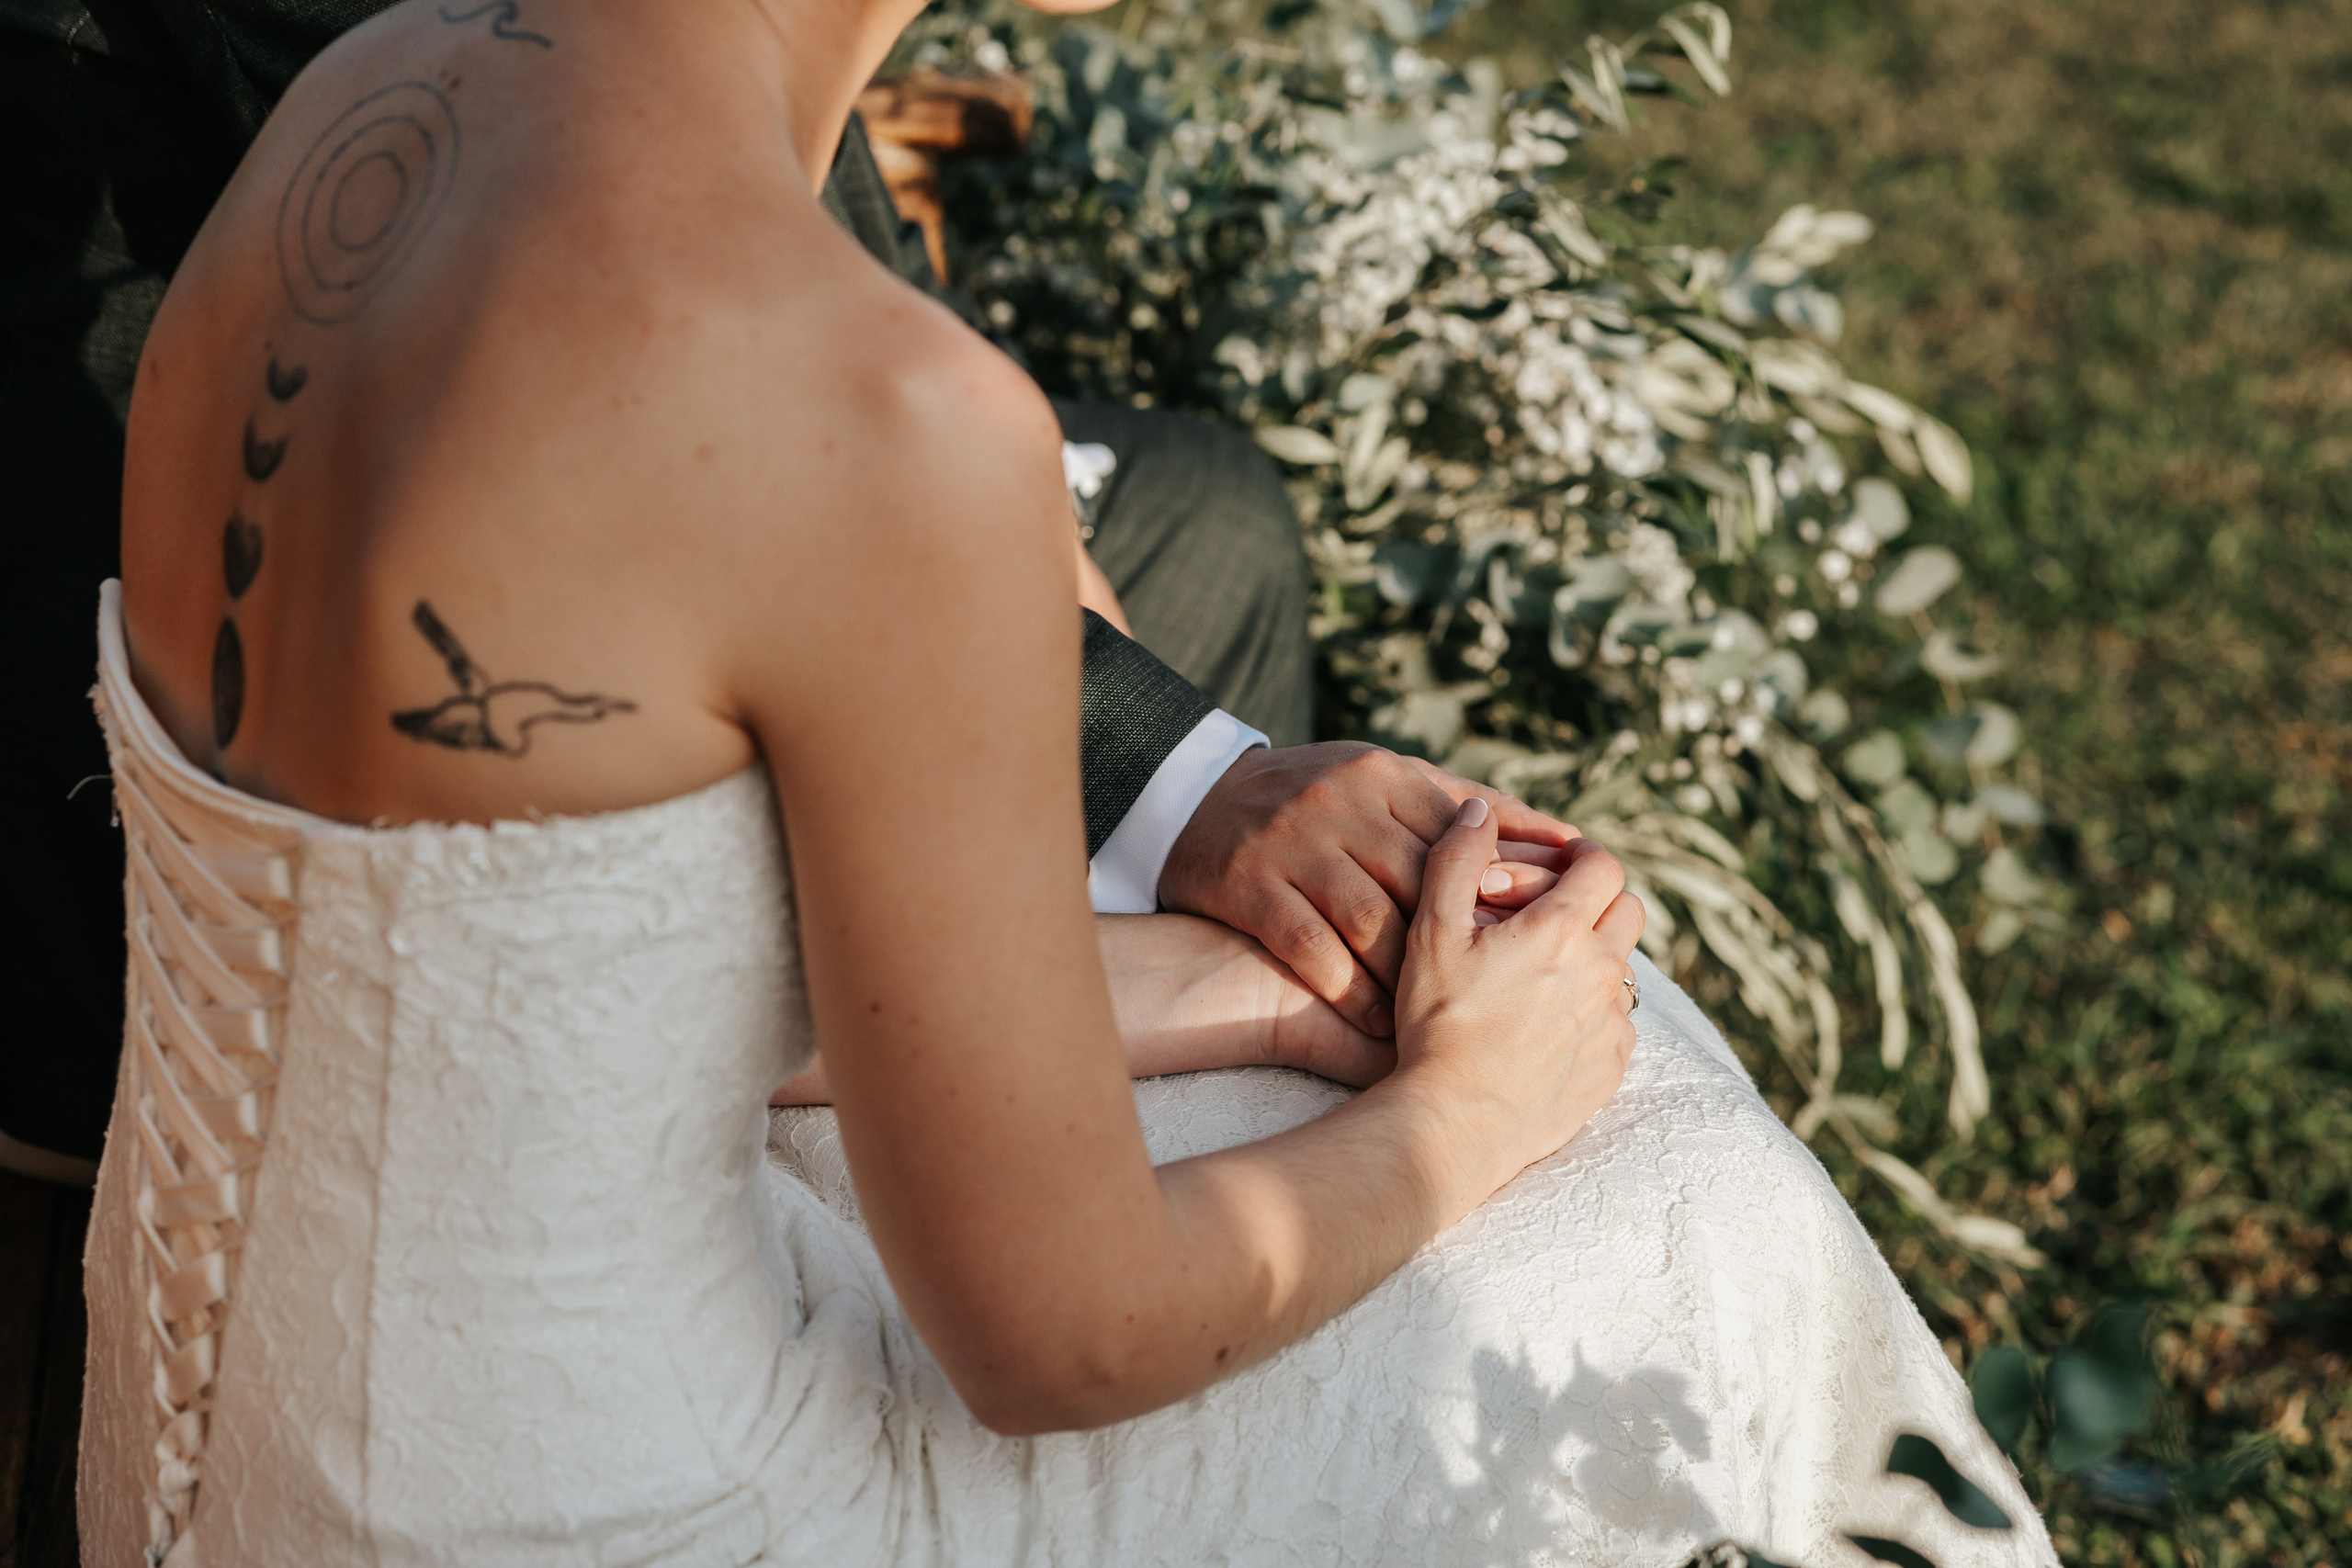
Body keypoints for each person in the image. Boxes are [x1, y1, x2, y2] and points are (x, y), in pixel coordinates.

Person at [76, 2, 2055, 1565]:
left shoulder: (351, 113)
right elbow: (1056, 1335)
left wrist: (1281, 993)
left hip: (219, 1474)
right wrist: (1474, 1105)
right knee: (1683, 1193)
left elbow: (544, 984)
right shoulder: (876, 415)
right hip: (626, 1516)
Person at [0, 0, 1556, 1181]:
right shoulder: (447, 125)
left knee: (1212, 516)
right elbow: (1063, 1343)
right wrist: (1415, 1101)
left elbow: (818, 316)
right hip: (160, 885)